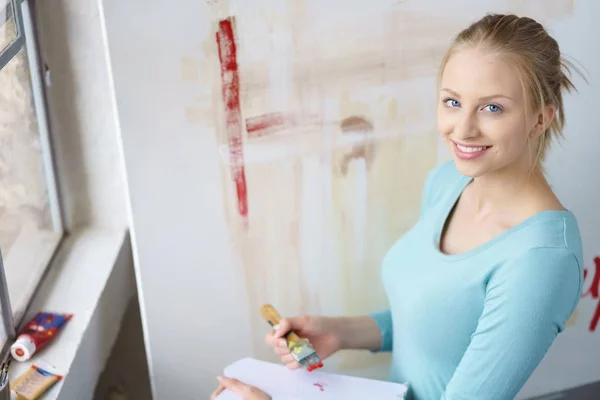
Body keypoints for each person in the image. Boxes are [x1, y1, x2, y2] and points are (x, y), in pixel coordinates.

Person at [211, 12, 585, 400]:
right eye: (452, 102)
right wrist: (340, 332)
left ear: (541, 118)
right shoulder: (448, 182)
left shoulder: (543, 259)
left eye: (492, 108)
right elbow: (430, 324)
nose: (463, 129)